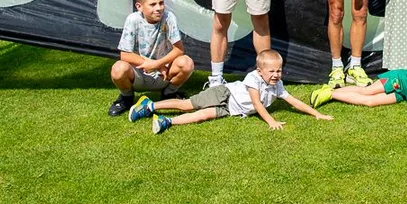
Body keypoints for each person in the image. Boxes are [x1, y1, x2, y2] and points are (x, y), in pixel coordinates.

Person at [128, 50, 332, 133]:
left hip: (231, 109)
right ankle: (149, 105)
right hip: (224, 93)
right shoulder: (253, 79)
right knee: (186, 105)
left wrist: (317, 114)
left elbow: (293, 101)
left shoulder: (276, 84)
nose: (277, 75)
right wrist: (271, 121)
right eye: (272, 71)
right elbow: (257, 103)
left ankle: (166, 122)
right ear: (260, 71)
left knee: (202, 116)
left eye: (279, 70)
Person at [107, 0, 195, 116]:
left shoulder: (169, 17)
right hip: (139, 74)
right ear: (139, 6)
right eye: (153, 4)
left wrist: (158, 64)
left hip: (164, 74)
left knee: (186, 63)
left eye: (161, 3)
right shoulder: (133, 20)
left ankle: (169, 93)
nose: (158, 8)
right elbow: (125, 55)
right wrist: (153, 65)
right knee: (118, 69)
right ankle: (126, 97)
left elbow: (179, 50)